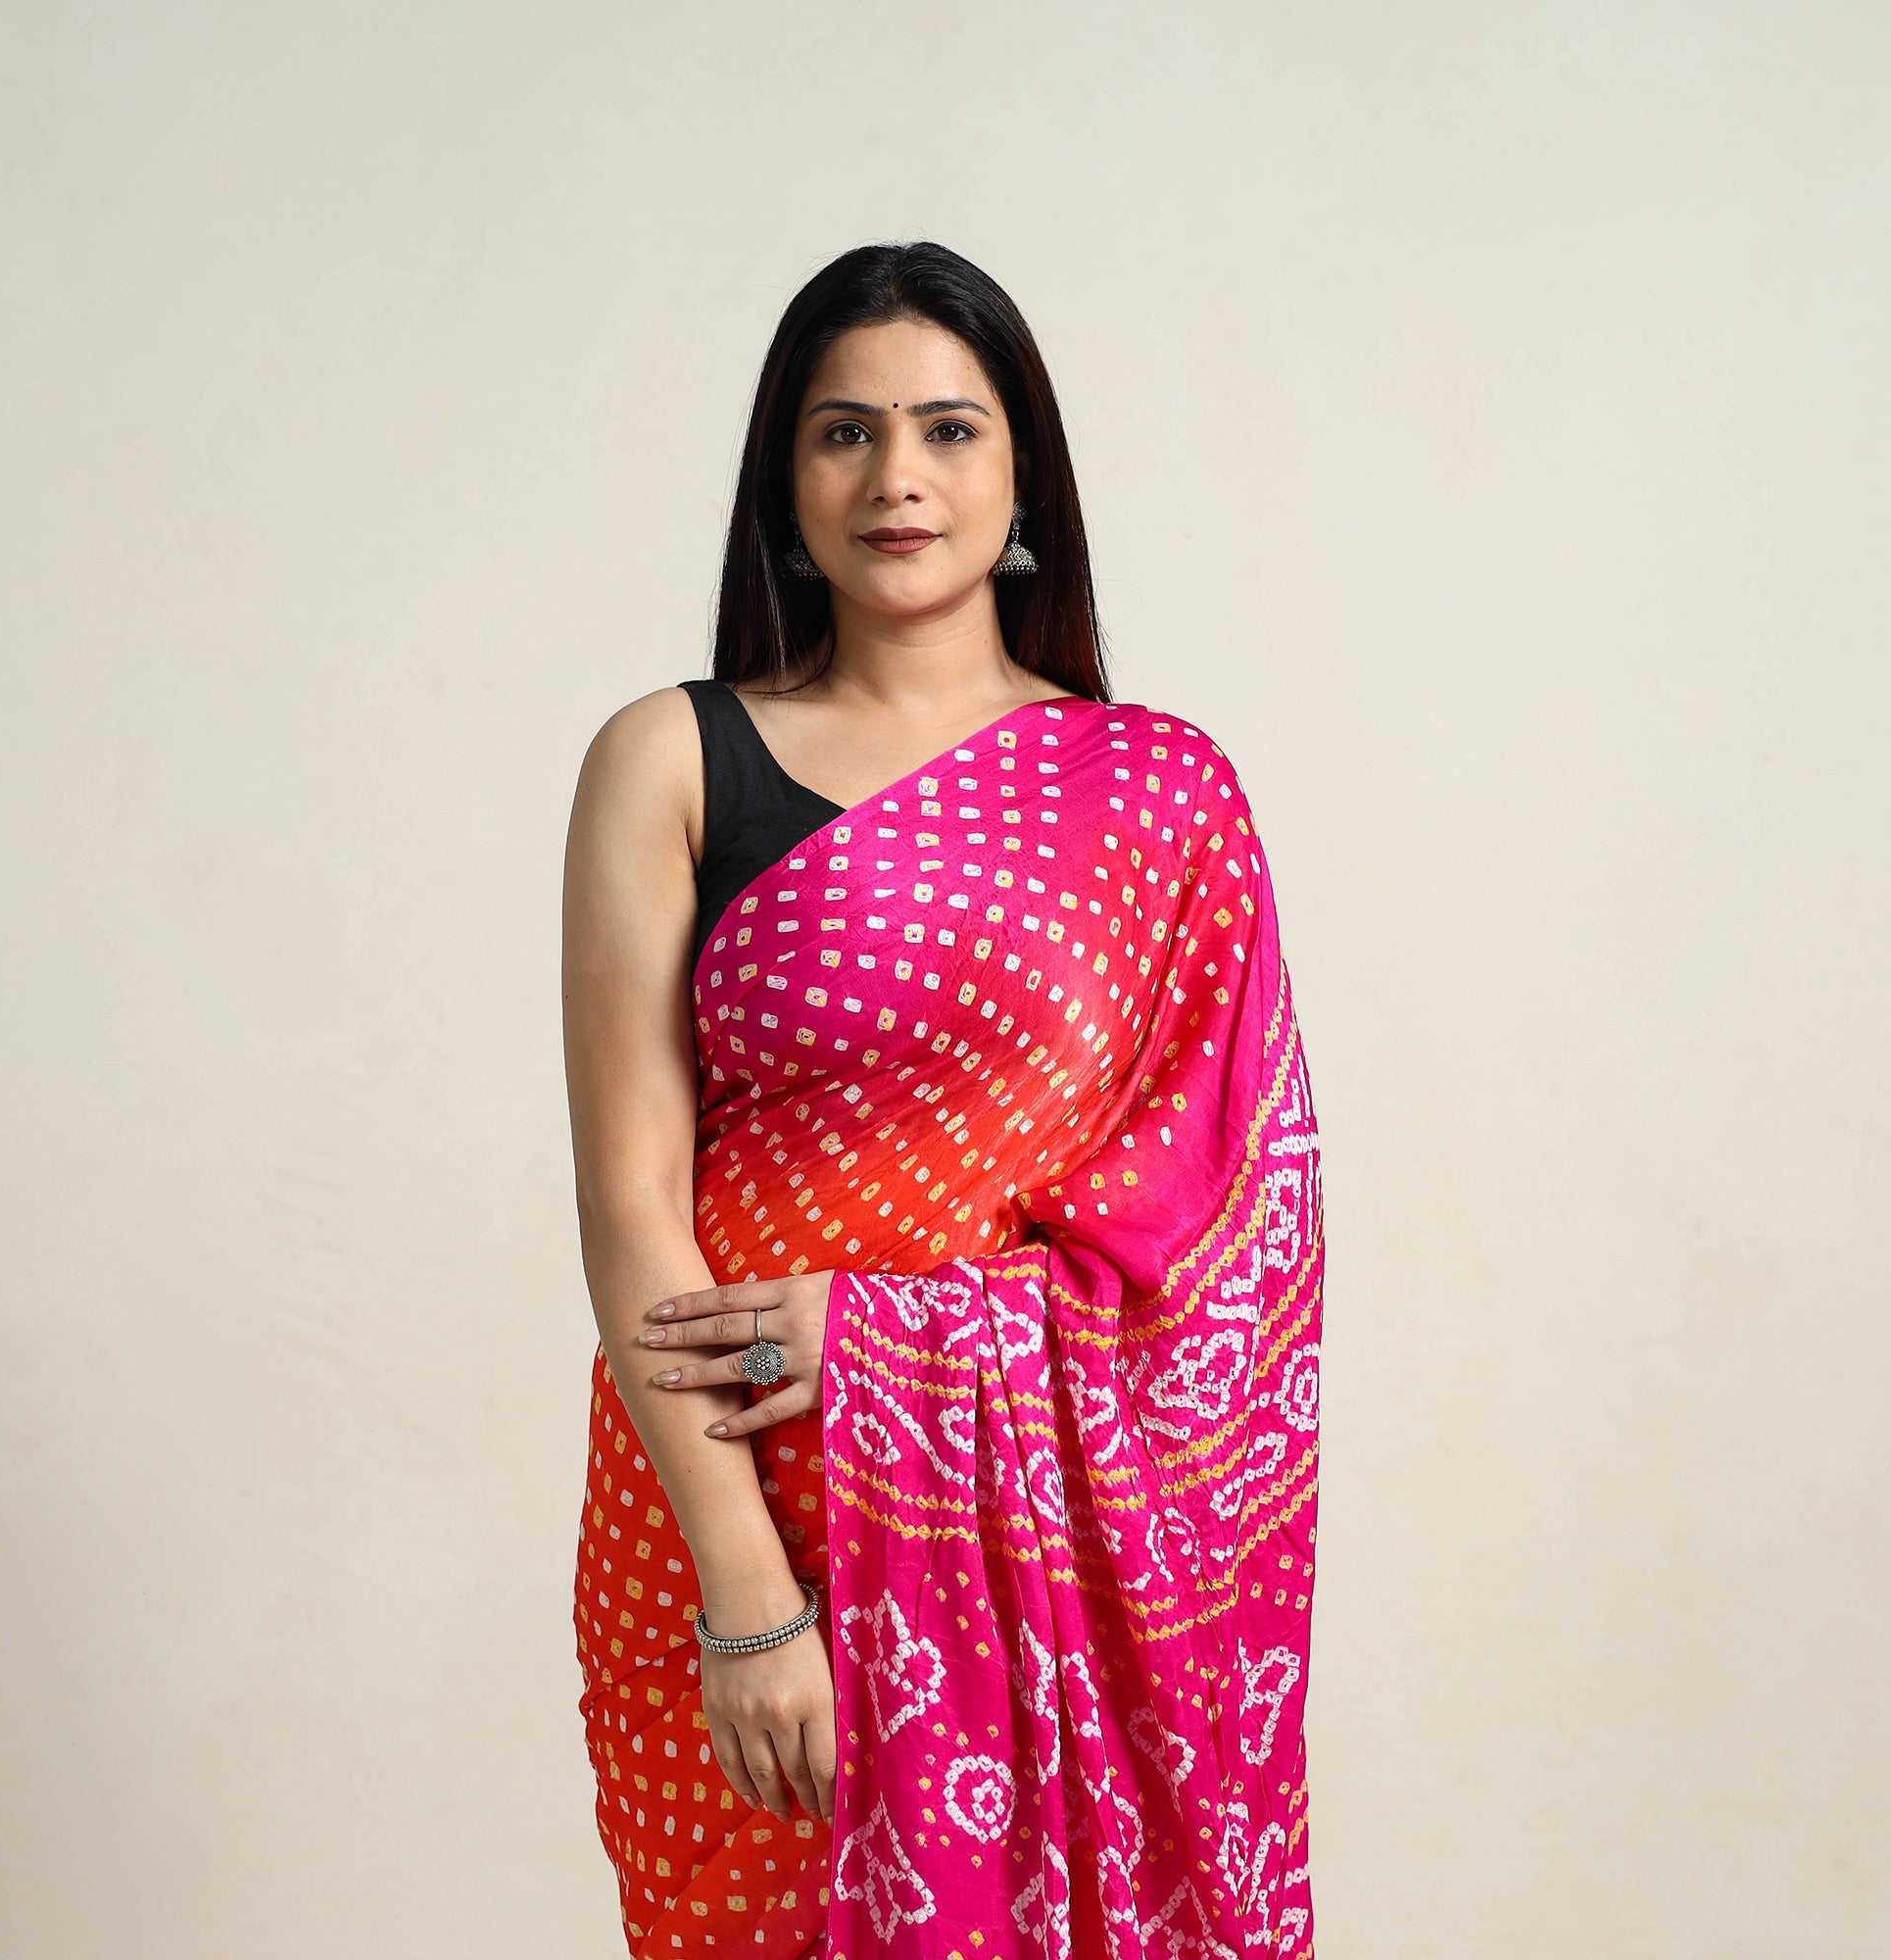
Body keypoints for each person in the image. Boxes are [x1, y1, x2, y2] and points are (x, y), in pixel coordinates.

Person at [560, 240, 1326, 1960]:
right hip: (733, 1501)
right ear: (785, 483)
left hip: (1050, 1539)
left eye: (948, 429)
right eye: (843, 432)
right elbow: (629, 1198)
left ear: (1021, 473)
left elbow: (1237, 1254)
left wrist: (886, 1341)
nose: (896, 475)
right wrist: (748, 1596)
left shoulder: (1160, 796)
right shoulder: (670, 759)